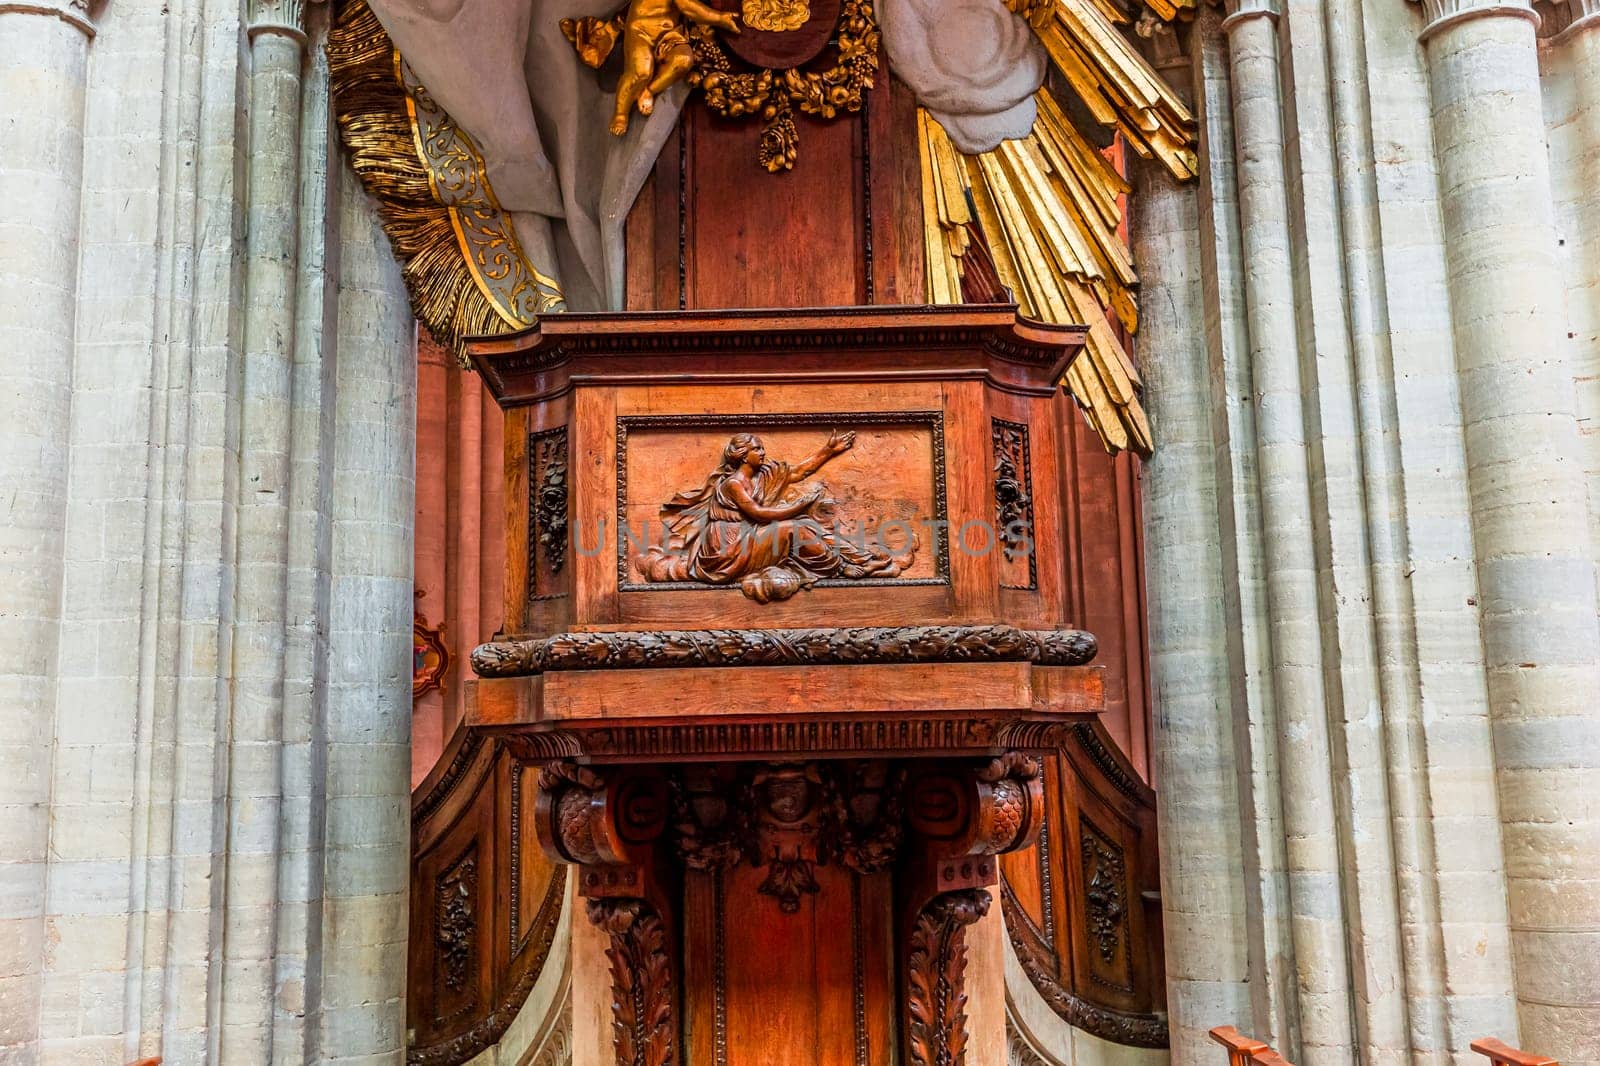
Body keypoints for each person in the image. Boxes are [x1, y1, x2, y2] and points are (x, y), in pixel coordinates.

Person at [636, 430, 916, 602]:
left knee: (803, 526)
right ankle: (842, 567)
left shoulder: (763, 476)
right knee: (794, 528)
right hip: (727, 552)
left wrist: (827, 452)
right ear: (744, 455)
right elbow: (758, 513)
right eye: (757, 448)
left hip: (745, 541)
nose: (763, 451)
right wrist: (801, 505)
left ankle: (857, 560)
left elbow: (796, 473)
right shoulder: (732, 483)